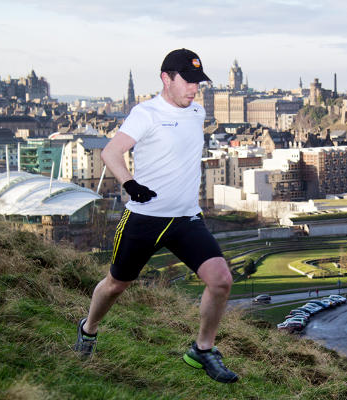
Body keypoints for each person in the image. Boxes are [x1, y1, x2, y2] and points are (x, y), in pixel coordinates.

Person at [74, 48, 238, 384]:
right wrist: (130, 183)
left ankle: (202, 349)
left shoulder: (197, 112)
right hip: (144, 219)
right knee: (116, 285)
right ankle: (88, 329)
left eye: (198, 82)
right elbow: (110, 152)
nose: (194, 89)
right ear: (166, 78)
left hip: (186, 219)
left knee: (221, 280)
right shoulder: (145, 113)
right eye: (187, 81)